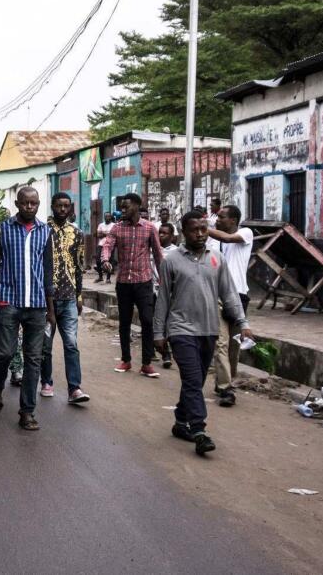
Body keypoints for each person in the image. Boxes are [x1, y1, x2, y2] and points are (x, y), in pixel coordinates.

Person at [154, 211, 253, 456]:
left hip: (209, 329)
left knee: (195, 382)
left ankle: (180, 420)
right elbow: (163, 300)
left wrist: (243, 322)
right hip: (180, 329)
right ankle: (199, 430)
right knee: (191, 379)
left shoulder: (217, 258)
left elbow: (229, 293)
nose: (200, 234)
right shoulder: (172, 261)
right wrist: (158, 332)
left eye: (203, 229)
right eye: (194, 230)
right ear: (183, 233)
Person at [0, 187, 54, 429]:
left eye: (34, 203)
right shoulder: (4, 228)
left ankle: (27, 411)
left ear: (38, 204)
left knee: (33, 359)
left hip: (36, 304)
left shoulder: (45, 231)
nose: (29, 207)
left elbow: (48, 272)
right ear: (17, 203)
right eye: (25, 203)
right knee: (4, 352)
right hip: (9, 300)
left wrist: (51, 310)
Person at [100, 193, 165, 378]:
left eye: (125, 207)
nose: (122, 210)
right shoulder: (117, 228)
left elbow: (159, 255)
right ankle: (126, 360)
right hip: (124, 283)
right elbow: (107, 245)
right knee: (125, 322)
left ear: (137, 206)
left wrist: (163, 280)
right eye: (121, 207)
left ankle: (146, 364)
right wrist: (105, 260)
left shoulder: (150, 228)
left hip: (144, 282)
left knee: (146, 320)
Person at [43, 193, 90, 404]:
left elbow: (79, 266)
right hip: (46, 298)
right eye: (59, 206)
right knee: (45, 344)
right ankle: (46, 382)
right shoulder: (42, 231)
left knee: (71, 344)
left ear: (70, 208)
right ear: (52, 206)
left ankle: (75, 389)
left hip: (70, 297)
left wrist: (79, 295)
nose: (63, 209)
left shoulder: (77, 233)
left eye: (66, 206)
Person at [207, 205, 254, 408]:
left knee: (233, 348)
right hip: (219, 296)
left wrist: (201, 227)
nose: (217, 220)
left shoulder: (245, 233)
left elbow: (226, 238)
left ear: (233, 220)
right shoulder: (216, 244)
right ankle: (226, 388)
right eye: (217, 217)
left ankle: (225, 382)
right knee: (221, 344)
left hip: (239, 297)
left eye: (222, 217)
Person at [95, 212, 114, 284]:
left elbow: (113, 235)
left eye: (108, 216)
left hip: (110, 244)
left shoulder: (113, 225)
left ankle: (108, 278)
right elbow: (98, 235)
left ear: (110, 217)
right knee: (97, 260)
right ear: (104, 217)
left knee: (109, 261)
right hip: (101, 244)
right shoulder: (101, 225)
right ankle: (100, 276)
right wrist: (108, 234)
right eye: (106, 216)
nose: (107, 218)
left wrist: (104, 233)